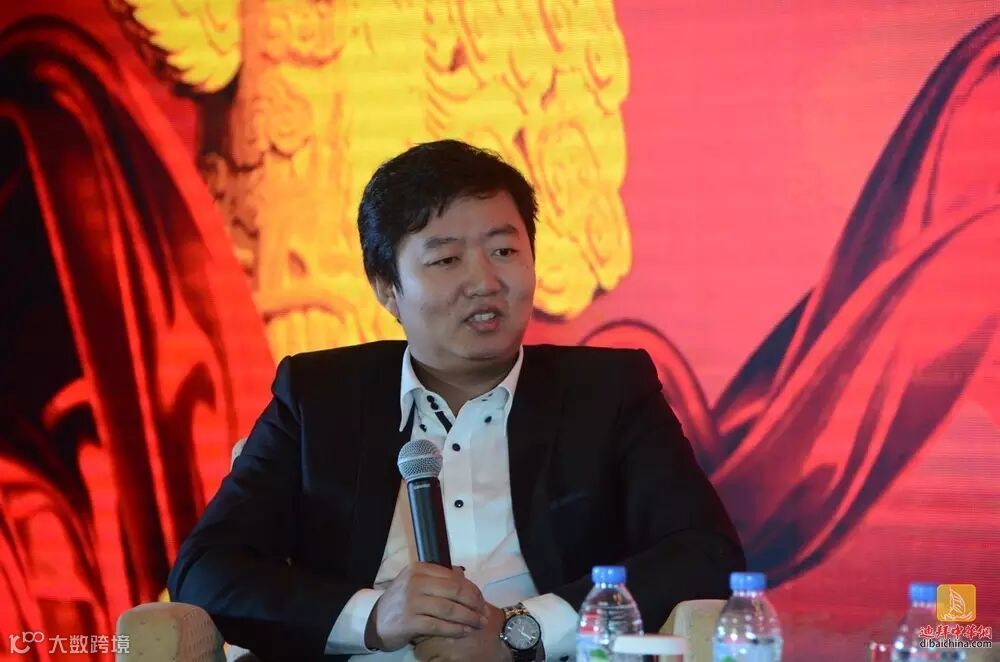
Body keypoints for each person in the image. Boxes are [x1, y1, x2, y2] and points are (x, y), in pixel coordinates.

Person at [167, 139, 745, 662]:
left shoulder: (609, 391)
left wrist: (521, 632)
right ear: (387, 288)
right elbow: (206, 569)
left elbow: (705, 554)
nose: (485, 281)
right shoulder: (319, 397)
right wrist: (374, 617)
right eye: (446, 260)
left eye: (504, 251)